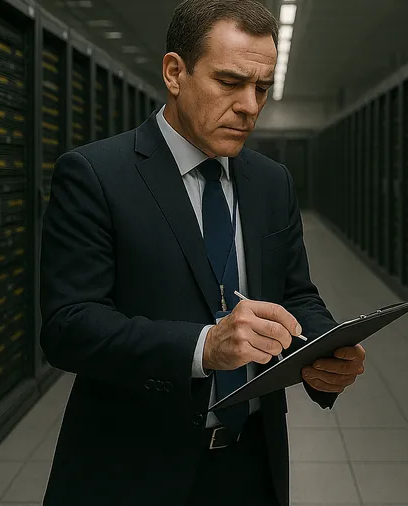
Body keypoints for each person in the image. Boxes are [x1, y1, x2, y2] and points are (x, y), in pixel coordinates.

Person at [39, 0, 367, 504]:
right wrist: (204, 346)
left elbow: (297, 294)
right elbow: (69, 327)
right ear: (175, 72)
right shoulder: (97, 175)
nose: (251, 106)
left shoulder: (270, 182)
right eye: (230, 82)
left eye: (261, 88)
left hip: (251, 461)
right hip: (135, 466)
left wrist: (325, 350)